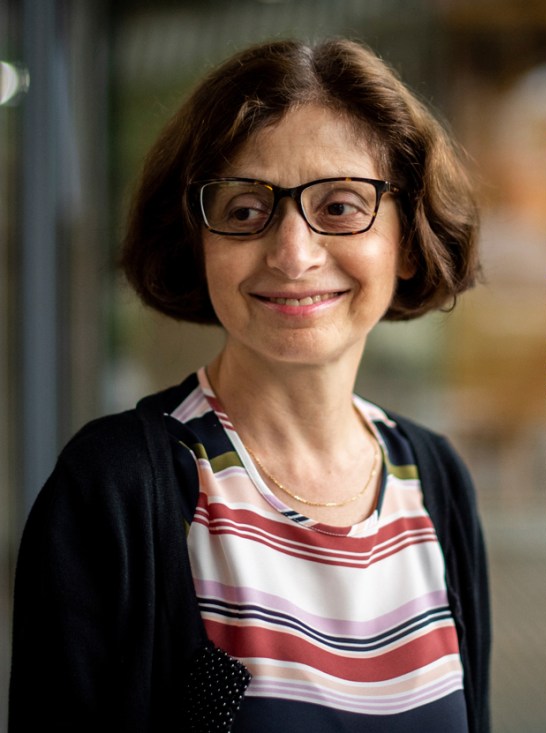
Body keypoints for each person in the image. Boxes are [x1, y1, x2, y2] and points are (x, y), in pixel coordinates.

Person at [11, 38, 489, 731]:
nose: (293, 253)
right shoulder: (112, 489)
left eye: (340, 206)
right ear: (196, 239)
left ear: (408, 239)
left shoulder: (437, 479)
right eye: (243, 210)